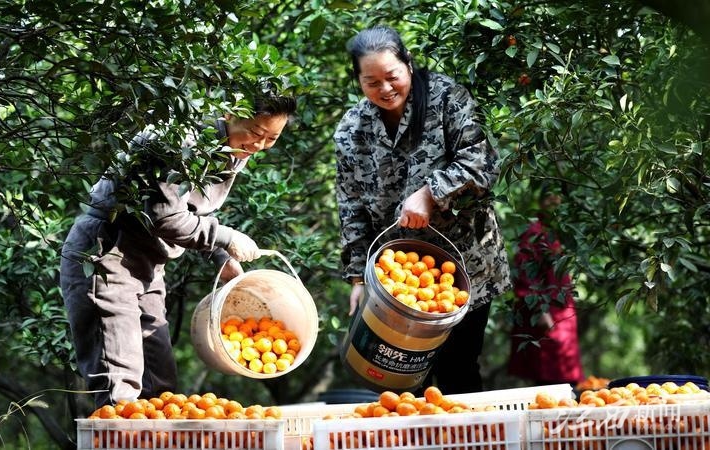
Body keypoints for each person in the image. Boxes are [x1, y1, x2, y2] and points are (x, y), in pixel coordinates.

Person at [59, 89, 297, 407]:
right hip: (107, 253)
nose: (259, 145)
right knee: (121, 386)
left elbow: (194, 212)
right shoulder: (177, 139)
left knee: (162, 387)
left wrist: (220, 255)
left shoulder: (231, 151)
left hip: (148, 265)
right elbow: (164, 216)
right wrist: (224, 238)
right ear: (230, 112)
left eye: (271, 139)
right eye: (256, 132)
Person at [334, 25, 511, 395]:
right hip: (398, 278)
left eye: (392, 77)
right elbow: (350, 206)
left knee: (458, 370)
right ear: (359, 82)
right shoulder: (352, 129)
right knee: (400, 384)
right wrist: (356, 278)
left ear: (408, 66)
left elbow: (482, 163)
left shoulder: (447, 99)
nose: (385, 89)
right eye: (371, 82)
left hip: (464, 266)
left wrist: (430, 193)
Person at [507, 192, 584, 386]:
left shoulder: (559, 232)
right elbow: (525, 274)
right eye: (549, 197)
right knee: (549, 379)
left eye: (558, 197)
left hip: (563, 313)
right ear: (541, 201)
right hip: (547, 316)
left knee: (567, 378)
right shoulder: (535, 232)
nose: (556, 201)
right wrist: (540, 311)